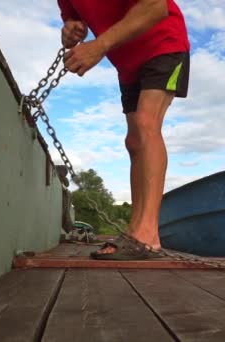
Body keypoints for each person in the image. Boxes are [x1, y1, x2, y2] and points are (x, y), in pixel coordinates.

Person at [57, 0, 190, 260]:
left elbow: (155, 7)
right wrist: (70, 29)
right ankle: (136, 231)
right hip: (127, 64)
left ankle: (147, 236)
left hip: (164, 43)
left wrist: (99, 46)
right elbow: (74, 20)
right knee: (133, 140)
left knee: (146, 123)